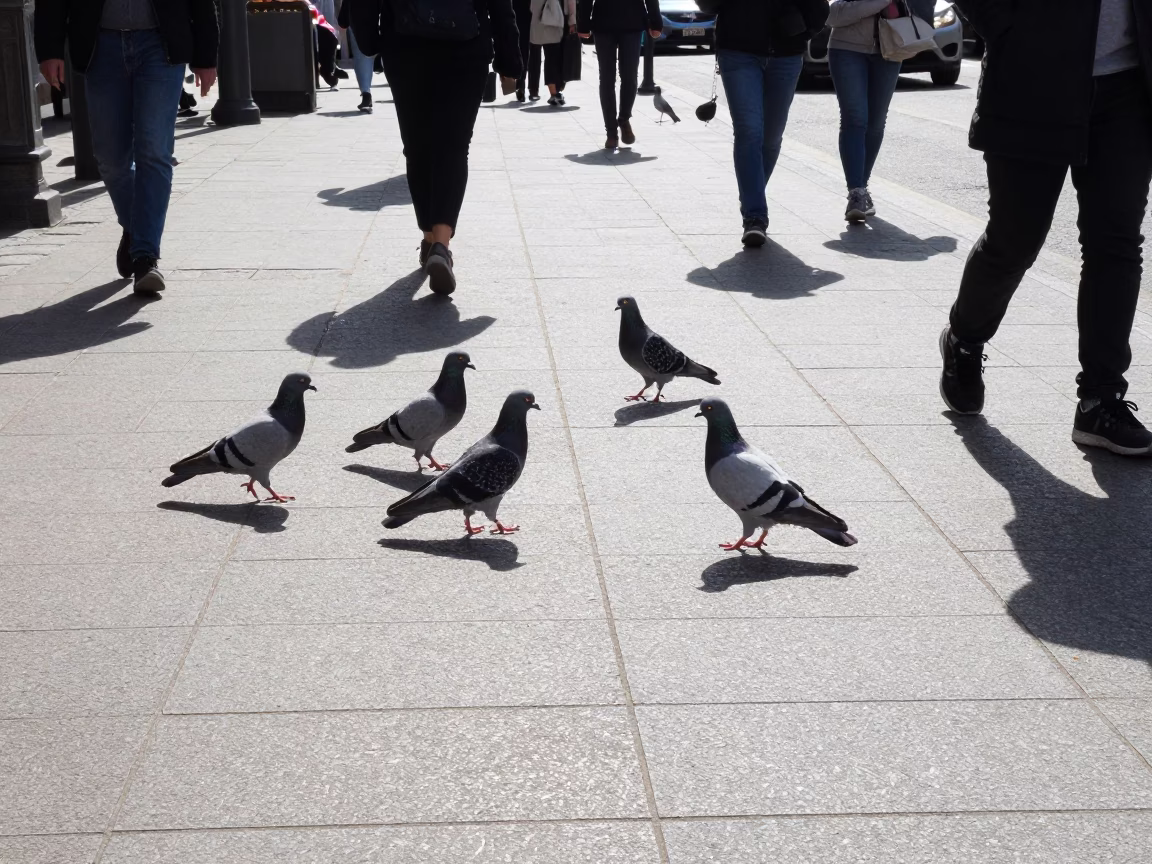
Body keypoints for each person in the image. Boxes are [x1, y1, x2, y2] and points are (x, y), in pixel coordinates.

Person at [940, 0, 1152, 455]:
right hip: (1034, 77)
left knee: (1116, 243)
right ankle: (964, 339)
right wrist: (1007, 30)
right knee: (1015, 238)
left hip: (1130, 85)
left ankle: (1100, 399)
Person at [35, 0, 218, 295]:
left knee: (154, 152)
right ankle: (135, 229)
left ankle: (145, 256)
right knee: (110, 160)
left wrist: (206, 55)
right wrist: (49, 49)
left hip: (161, 45)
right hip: (100, 45)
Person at [352, 0, 522, 295]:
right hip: (466, 44)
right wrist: (510, 57)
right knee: (454, 145)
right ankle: (440, 244)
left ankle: (430, 237)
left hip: (405, 44)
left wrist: (369, 38)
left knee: (417, 145)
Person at [697, 0, 828, 247]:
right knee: (748, 131)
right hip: (738, 52)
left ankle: (750, 194)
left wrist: (802, 31)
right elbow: (706, 4)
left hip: (787, 54)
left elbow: (820, 8)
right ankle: (755, 216)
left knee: (771, 137)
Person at [827, 0, 930, 222]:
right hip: (846, 49)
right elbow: (833, 15)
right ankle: (856, 192)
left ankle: (861, 189)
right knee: (855, 118)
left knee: (876, 122)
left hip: (891, 47)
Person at [576, 0, 663, 149]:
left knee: (630, 76)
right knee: (606, 79)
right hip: (603, 23)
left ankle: (624, 118)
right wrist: (583, 23)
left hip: (632, 22)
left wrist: (655, 22)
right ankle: (611, 132)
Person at [531, 0, 577, 106]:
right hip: (556, 17)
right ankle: (555, 91)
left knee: (551, 57)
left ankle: (554, 91)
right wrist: (572, 20)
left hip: (541, 16)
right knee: (554, 57)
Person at [338, 0, 375, 112]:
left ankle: (366, 92)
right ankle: (366, 93)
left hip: (358, 18)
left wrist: (344, 18)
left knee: (361, 56)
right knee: (364, 56)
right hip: (377, 19)